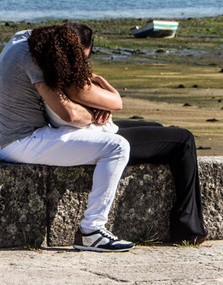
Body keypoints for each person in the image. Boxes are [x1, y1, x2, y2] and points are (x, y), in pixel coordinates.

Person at [29, 23, 208, 246]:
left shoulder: (49, 72)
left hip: (88, 131)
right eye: (86, 53)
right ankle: (188, 228)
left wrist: (97, 106)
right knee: (183, 140)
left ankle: (186, 224)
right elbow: (116, 101)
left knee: (157, 127)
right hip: (96, 137)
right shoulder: (74, 79)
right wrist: (102, 83)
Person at [0, 23, 133, 252]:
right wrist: (98, 115)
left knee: (102, 136)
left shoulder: (23, 40)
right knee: (117, 147)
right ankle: (92, 230)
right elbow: (69, 114)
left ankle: (93, 231)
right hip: (21, 142)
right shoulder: (33, 58)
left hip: (12, 139)